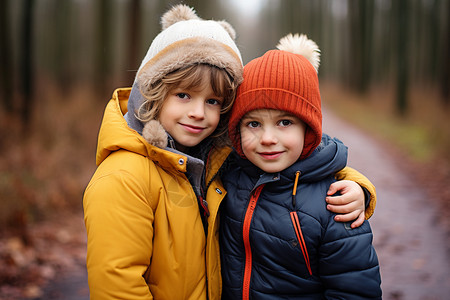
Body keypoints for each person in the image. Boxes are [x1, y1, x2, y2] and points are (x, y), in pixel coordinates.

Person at [83, 4, 377, 299]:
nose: (198, 112)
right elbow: (117, 284)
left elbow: (304, 171)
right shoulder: (124, 177)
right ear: (152, 94)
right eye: (183, 95)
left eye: (212, 101)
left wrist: (356, 187)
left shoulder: (211, 161)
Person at [220, 33, 382, 299]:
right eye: (253, 124)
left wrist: (361, 190)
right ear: (236, 131)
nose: (268, 139)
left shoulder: (337, 205)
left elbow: (355, 290)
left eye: (285, 122)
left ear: (308, 130)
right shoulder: (228, 175)